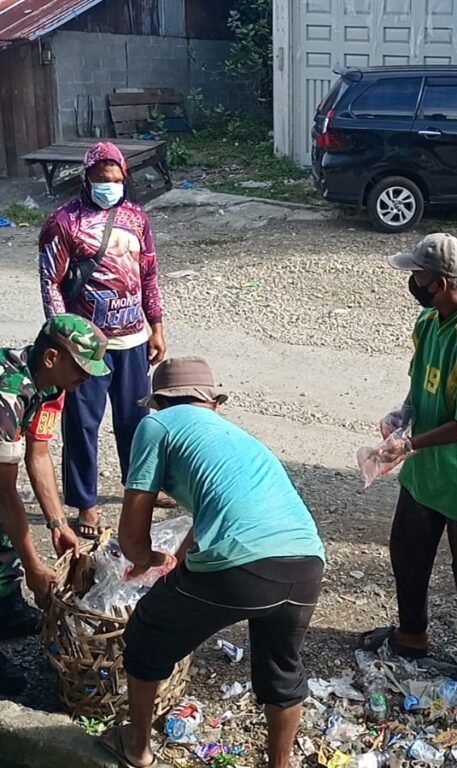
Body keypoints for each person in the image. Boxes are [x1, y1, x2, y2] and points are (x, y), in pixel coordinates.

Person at [99, 356, 325, 768]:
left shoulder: (157, 426)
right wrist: (177, 562)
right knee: (281, 671)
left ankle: (137, 748)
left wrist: (147, 558)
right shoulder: (236, 437)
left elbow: (132, 537)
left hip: (242, 568)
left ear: (158, 403)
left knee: (147, 634)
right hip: (306, 562)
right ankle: (280, 764)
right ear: (212, 402)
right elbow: (215, 516)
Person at [358, 233, 457, 691]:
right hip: (425, 468)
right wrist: (401, 416)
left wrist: (410, 444)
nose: (412, 281)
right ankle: (412, 633)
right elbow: (420, 382)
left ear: (440, 282)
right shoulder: (429, 322)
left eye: (417, 275)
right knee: (406, 551)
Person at [38, 141, 172, 542]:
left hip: (132, 338)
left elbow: (148, 274)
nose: (108, 186)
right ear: (86, 178)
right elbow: (51, 283)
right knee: (82, 426)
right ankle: (86, 504)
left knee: (137, 423)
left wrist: (157, 327)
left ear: (124, 180)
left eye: (115, 180)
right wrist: (63, 337)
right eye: (101, 180)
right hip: (85, 348)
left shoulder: (135, 218)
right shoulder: (64, 222)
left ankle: (143, 490)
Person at [0, 314, 110, 694]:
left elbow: (39, 454)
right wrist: (33, 564)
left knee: (9, 529)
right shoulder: (8, 394)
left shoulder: (51, 387)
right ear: (52, 358)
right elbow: (4, 493)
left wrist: (57, 522)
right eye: (81, 368)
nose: (87, 379)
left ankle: (3, 605)